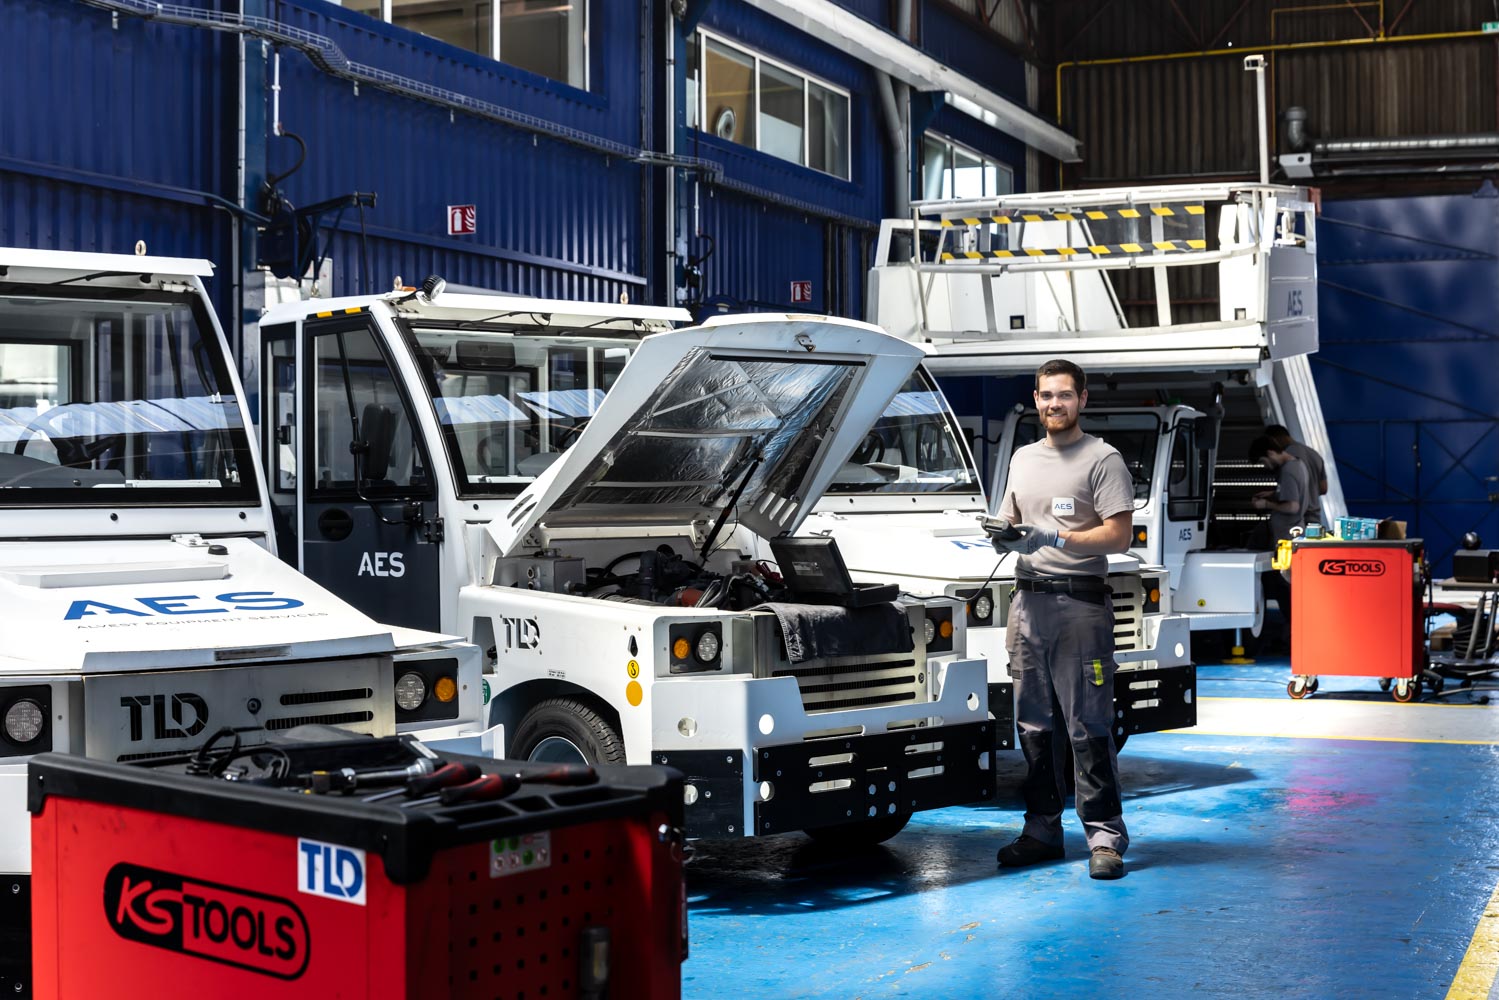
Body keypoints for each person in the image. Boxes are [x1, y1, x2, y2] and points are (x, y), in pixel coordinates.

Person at [987, 358, 1134, 881]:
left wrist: (1055, 537)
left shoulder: (1103, 459)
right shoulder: (1023, 458)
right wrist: (1003, 534)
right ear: (1036, 399)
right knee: (1033, 726)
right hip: (1027, 605)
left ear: (1082, 399)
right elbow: (1011, 517)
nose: (1055, 404)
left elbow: (1119, 535)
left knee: (1087, 726)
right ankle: (1042, 831)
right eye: (1046, 395)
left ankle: (1105, 838)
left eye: (1065, 395)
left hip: (1079, 608)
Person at [1247, 435, 1311, 649]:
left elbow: (1292, 506)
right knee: (1288, 587)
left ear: (1270, 453)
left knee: (1285, 588)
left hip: (1286, 539)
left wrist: (1266, 504)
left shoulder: (1288, 470)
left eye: (1263, 461)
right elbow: (1293, 495)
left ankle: (1295, 636)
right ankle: (1294, 634)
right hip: (1292, 534)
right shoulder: (1298, 465)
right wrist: (1274, 494)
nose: (1266, 466)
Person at [1265, 424, 1327, 526]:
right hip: (1315, 519)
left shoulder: (1286, 458)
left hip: (1295, 521)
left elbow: (1291, 491)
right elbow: (1323, 488)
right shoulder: (1314, 454)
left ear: (1275, 439)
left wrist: (1273, 497)